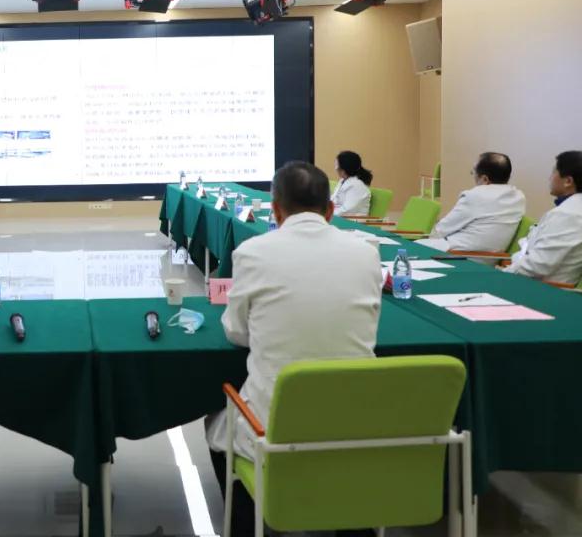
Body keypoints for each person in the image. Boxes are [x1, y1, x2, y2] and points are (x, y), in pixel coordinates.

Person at [205, 161, 381, 537]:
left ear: (275, 210)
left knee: (216, 420)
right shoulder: (366, 253)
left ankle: (253, 521)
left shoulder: (252, 252)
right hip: (358, 421)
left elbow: (235, 331)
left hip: (275, 427)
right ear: (330, 210)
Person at [417, 152, 526, 253]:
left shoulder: (475, 196)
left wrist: (428, 240)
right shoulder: (519, 197)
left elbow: (442, 230)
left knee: (414, 247)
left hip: (457, 254)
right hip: (486, 257)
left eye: (473, 172)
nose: (472, 175)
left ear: (485, 179)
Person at [505, 150, 582, 286]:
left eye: (554, 172)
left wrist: (503, 273)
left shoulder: (569, 215)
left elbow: (538, 265)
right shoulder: (570, 209)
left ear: (568, 181)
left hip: (540, 290)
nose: (549, 178)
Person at [331, 150, 373, 216]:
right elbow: (333, 199)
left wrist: (327, 214)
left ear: (344, 169)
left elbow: (346, 210)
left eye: (337, 165)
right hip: (340, 216)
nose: (335, 168)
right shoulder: (343, 180)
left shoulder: (358, 186)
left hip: (352, 220)